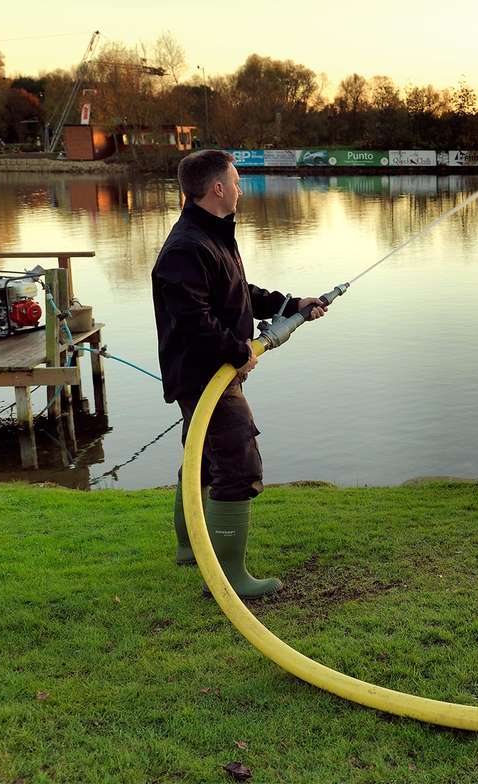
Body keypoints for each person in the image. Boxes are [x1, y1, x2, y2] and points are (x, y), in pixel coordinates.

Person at [151, 149, 327, 598]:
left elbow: (235, 293)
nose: (241, 188)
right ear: (217, 188)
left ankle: (191, 548)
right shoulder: (186, 247)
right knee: (236, 463)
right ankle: (229, 579)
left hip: (213, 371)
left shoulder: (210, 235)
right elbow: (194, 318)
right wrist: (237, 352)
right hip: (205, 377)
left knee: (202, 458)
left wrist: (291, 305)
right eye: (236, 180)